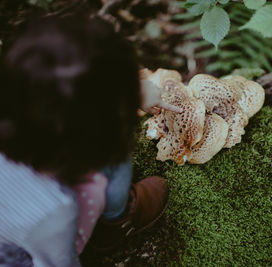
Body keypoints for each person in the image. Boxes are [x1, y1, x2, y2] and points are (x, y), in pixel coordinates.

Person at [0, 16, 181, 266]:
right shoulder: (52, 216)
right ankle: (114, 227)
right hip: (35, 248)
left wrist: (133, 92)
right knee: (116, 165)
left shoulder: (23, 106)